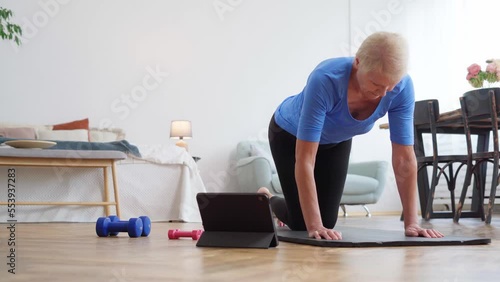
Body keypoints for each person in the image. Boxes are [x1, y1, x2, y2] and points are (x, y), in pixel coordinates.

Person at [258, 31, 444, 240]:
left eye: (390, 86)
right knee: (304, 224)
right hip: (288, 135)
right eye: (376, 84)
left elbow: (404, 157)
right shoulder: (326, 79)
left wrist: (412, 224)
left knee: (328, 222)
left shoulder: (402, 88)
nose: (384, 94)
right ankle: (268, 198)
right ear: (357, 63)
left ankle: (285, 205)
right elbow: (305, 159)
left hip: (336, 141)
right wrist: (315, 226)